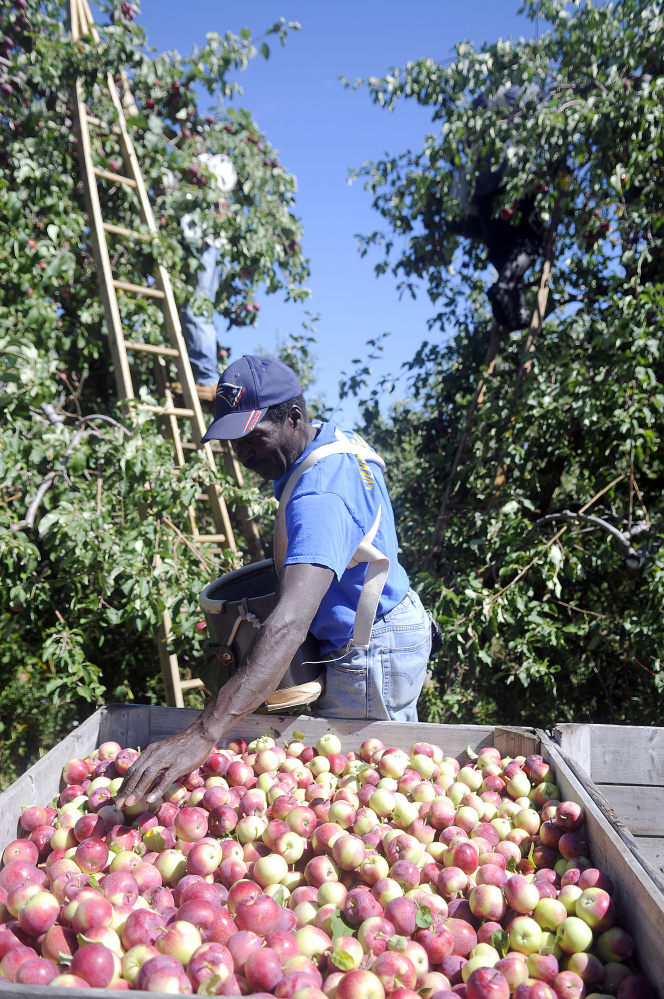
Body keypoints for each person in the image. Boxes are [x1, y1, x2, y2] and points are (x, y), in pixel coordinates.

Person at [116, 355, 433, 808]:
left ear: (294, 419)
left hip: (371, 648)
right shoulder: (334, 444)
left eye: (253, 438)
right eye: (232, 442)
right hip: (389, 619)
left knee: (368, 793)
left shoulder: (319, 494)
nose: (242, 454)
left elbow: (288, 624)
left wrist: (205, 732)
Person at [164, 151, 237, 389]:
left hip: (206, 248)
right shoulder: (203, 172)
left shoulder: (209, 167)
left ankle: (206, 377)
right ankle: (199, 372)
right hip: (209, 248)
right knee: (193, 310)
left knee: (197, 310)